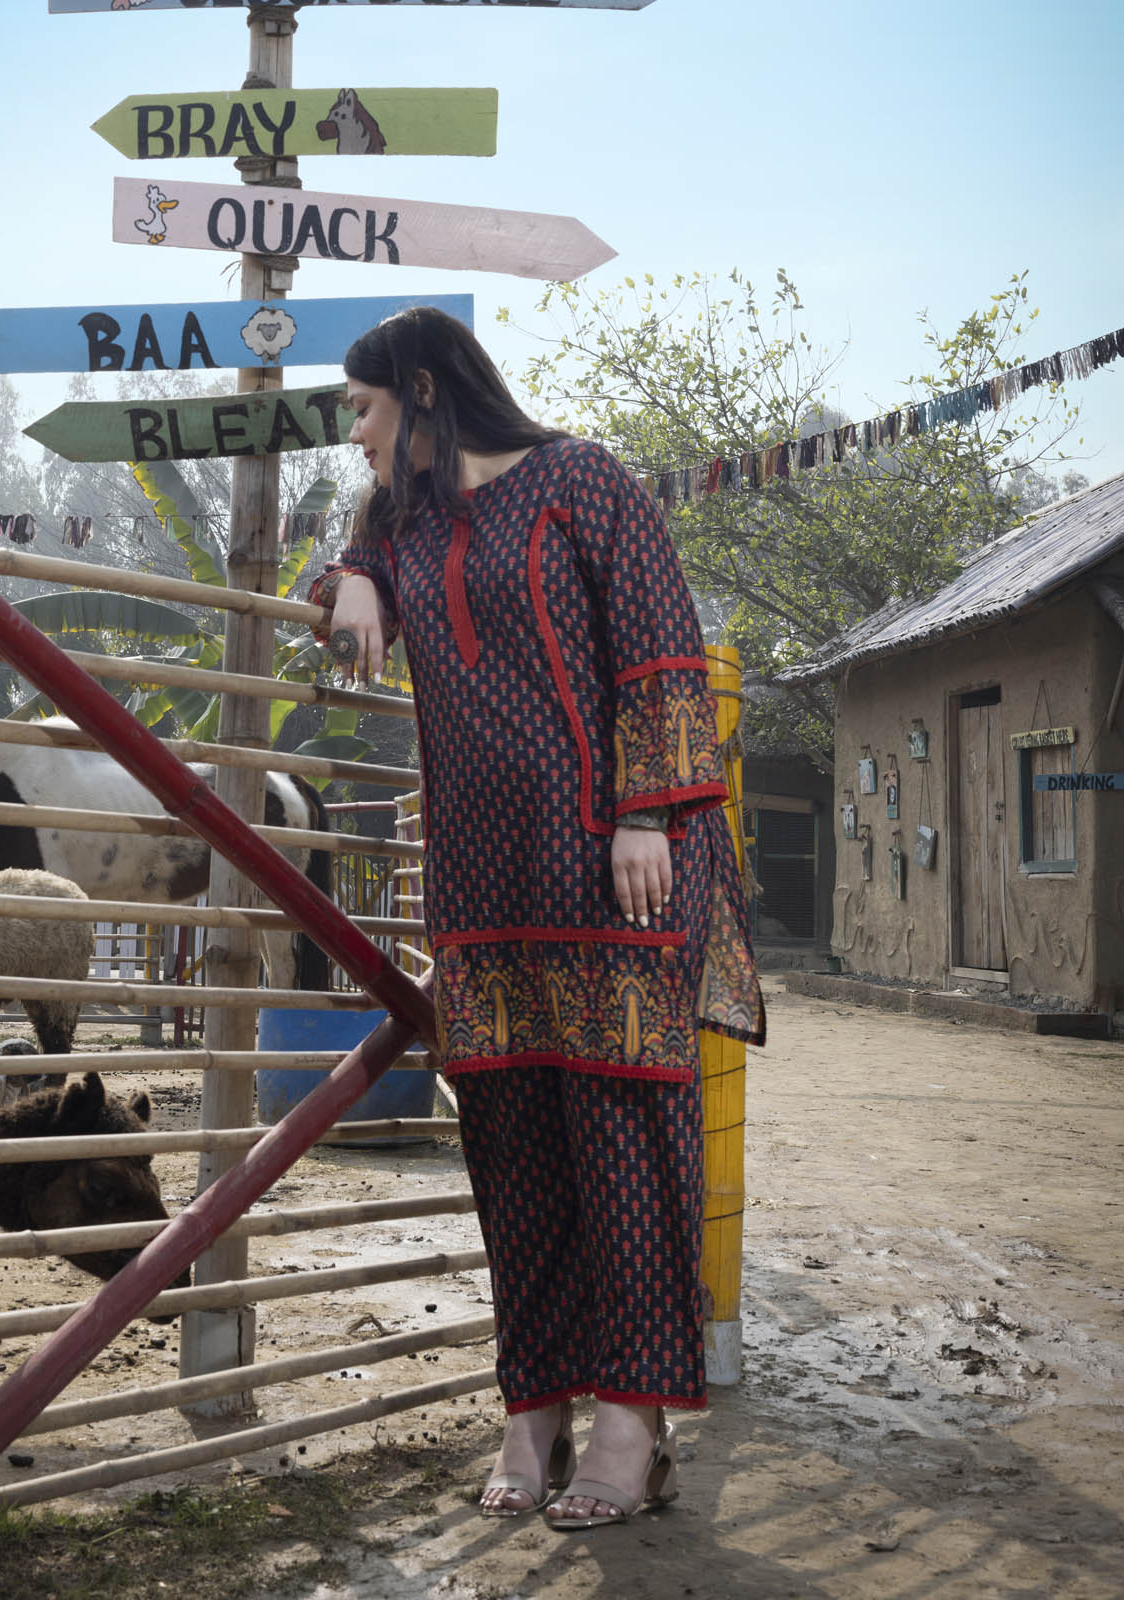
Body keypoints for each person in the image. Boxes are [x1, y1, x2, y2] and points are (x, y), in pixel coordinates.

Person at [310, 307, 764, 1530]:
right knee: (511, 1156)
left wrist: (645, 816)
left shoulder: (581, 482)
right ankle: (533, 1411)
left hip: (608, 875)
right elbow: (337, 576)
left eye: (357, 408)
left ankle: (630, 1427)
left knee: (621, 1152)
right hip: (478, 892)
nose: (348, 432)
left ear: (416, 389)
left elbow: (659, 650)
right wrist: (352, 575)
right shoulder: (400, 523)